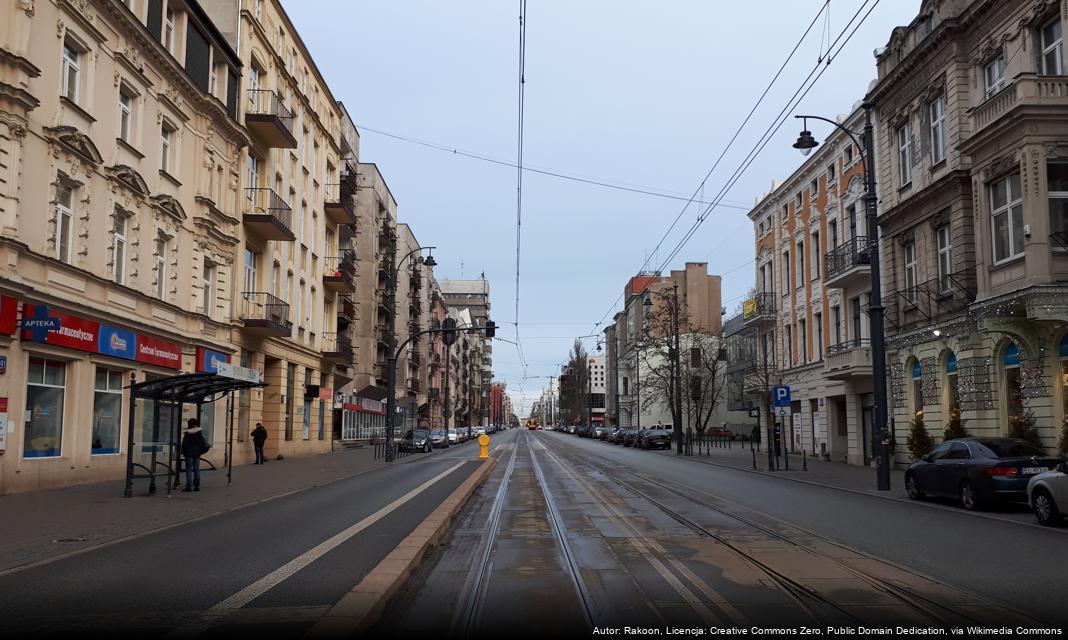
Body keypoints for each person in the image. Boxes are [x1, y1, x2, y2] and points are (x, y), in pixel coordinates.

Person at [180, 418, 206, 492]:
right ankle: (197, 486)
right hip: (197, 453)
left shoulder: (187, 433)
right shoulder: (199, 432)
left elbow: (184, 444)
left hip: (189, 454)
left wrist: (183, 452)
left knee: (189, 470)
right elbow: (201, 443)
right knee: (196, 469)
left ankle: (189, 486)